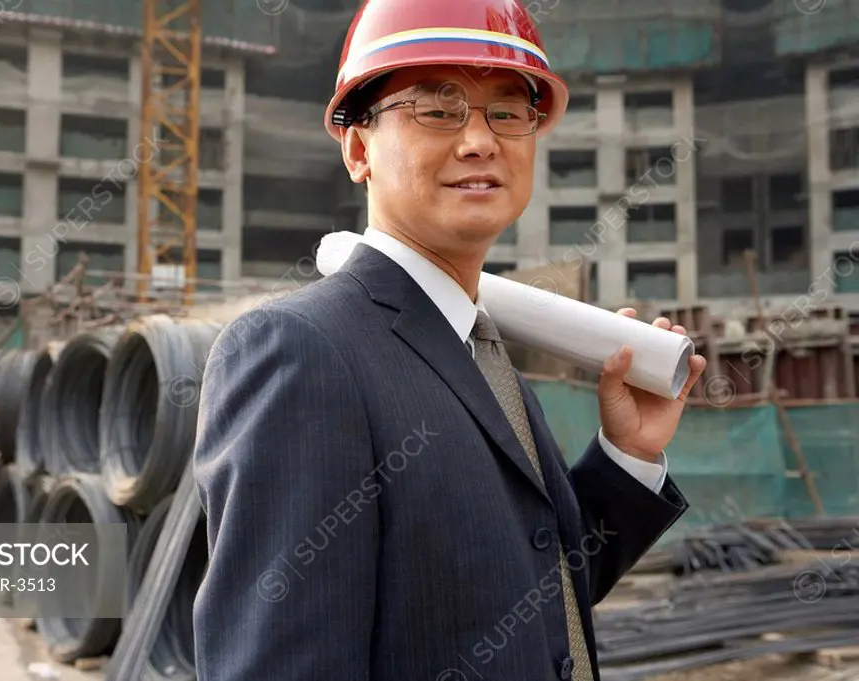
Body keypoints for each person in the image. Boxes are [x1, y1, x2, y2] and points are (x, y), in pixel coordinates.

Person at [191, 1, 708, 680]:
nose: (479, 140)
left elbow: (531, 595)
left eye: (506, 111)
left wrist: (629, 453)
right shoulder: (301, 352)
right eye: (437, 109)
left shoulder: (479, 353)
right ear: (357, 148)